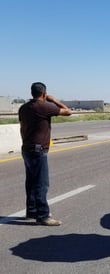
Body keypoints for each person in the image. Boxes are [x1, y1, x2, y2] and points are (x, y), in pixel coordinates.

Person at [19, 82, 72, 226]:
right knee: (41, 184)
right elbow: (67, 111)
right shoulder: (43, 106)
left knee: (31, 182)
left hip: (27, 148)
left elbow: (22, 127)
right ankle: (43, 215)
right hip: (38, 150)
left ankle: (31, 210)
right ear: (44, 93)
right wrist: (53, 100)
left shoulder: (23, 108)